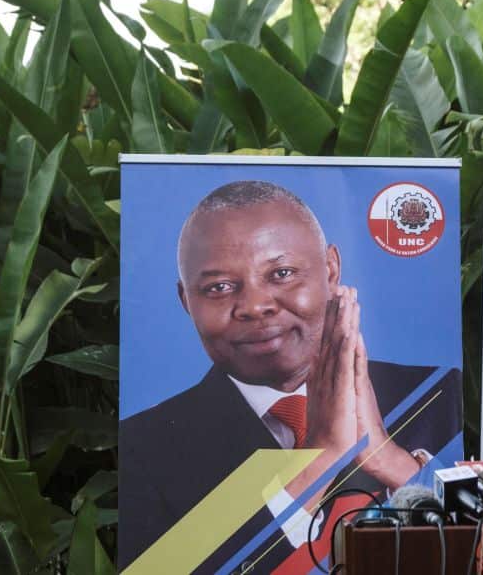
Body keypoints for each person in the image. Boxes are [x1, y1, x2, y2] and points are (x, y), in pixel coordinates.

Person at [120, 181, 461, 573]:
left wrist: (388, 459)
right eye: (219, 287)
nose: (255, 306)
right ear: (186, 301)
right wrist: (322, 458)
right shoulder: (143, 449)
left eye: (281, 273)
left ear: (331, 270)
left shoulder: (434, 397)